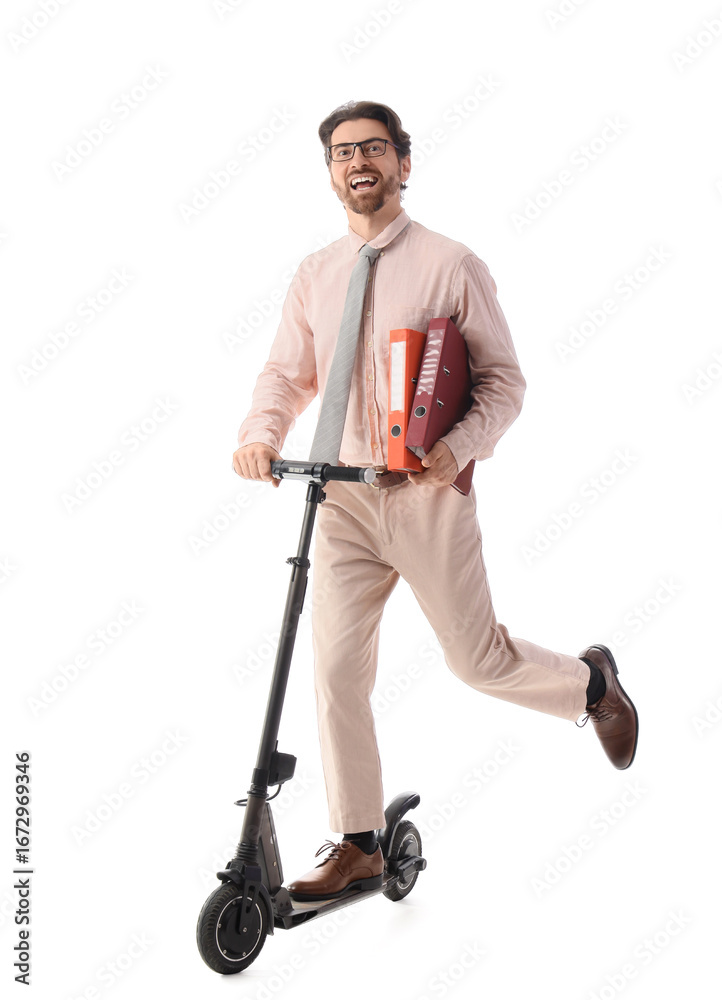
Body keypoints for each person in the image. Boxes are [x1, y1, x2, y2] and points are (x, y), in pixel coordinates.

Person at [232, 100, 639, 902]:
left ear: (404, 163)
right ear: (330, 172)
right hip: (341, 498)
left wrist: (455, 448)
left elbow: (503, 383)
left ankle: (591, 685)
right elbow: (285, 374)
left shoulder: (453, 265)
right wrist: (258, 433)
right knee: (334, 673)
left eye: (374, 148)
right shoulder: (315, 274)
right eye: (343, 152)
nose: (358, 162)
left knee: (476, 662)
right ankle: (358, 843)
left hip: (426, 499)